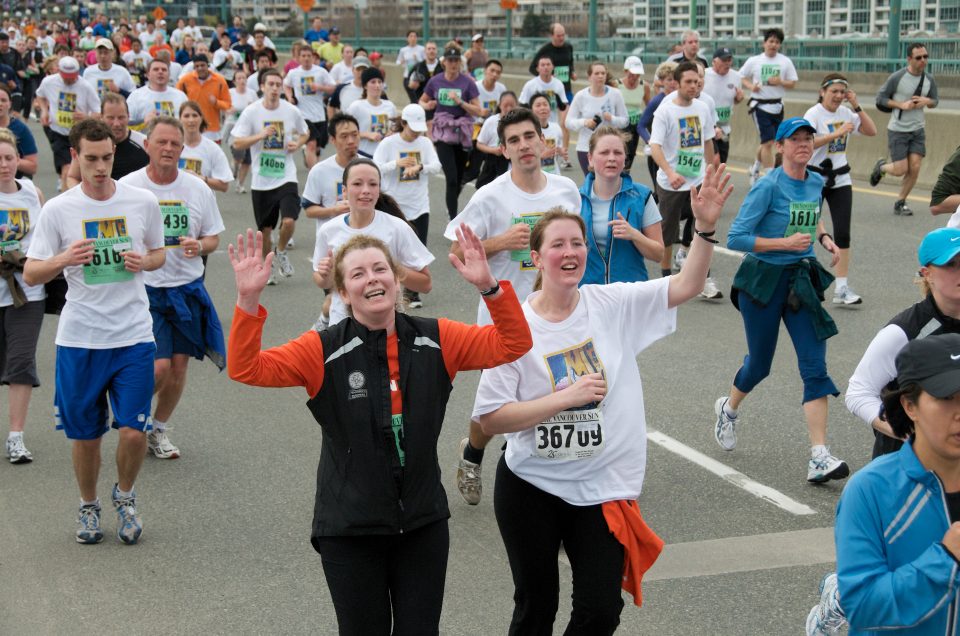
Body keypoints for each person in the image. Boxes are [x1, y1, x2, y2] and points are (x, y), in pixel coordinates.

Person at [229, 216, 530, 634]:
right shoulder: (322, 349)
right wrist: (247, 300)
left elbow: (513, 344)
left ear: (396, 278)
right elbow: (246, 368)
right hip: (349, 529)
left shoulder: (437, 337)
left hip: (422, 524)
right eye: (357, 273)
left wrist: (490, 288)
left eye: (379, 269)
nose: (371, 280)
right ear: (342, 291)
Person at [473, 164, 730, 633]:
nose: (570, 252)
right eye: (558, 245)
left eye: (577, 243)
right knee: (536, 607)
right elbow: (491, 419)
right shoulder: (514, 326)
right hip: (532, 485)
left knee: (599, 611)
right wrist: (564, 397)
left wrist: (706, 228)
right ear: (536, 257)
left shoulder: (610, 304)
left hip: (601, 487)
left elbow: (687, 285)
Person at [23, 118, 165, 545]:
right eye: (91, 159)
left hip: (134, 335)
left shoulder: (142, 202)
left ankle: (125, 496)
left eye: (107, 158)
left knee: (133, 430)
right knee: (85, 438)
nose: (100, 167)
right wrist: (64, 259)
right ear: (75, 157)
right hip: (81, 338)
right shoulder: (59, 209)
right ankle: (89, 505)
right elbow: (31, 273)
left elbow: (159, 254)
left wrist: (145, 261)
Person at [444, 107, 581, 505]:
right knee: (501, 404)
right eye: (514, 140)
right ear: (504, 150)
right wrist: (501, 242)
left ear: (543, 140)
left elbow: (573, 246)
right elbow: (458, 250)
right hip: (503, 315)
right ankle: (473, 453)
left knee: (548, 396)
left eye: (529, 136)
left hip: (554, 313)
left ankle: (533, 482)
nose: (524, 145)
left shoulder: (565, 191)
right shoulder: (489, 197)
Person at [715, 117, 846, 483]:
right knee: (760, 365)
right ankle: (728, 408)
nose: (803, 144)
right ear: (780, 147)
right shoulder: (768, 186)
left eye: (808, 138)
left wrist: (824, 240)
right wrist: (782, 244)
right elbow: (737, 237)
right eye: (795, 140)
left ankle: (819, 455)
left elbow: (813, 219)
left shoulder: (816, 181)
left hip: (800, 279)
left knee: (814, 366)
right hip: (763, 279)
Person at [826, 333, 960, 634]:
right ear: (910, 406)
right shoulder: (869, 491)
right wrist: (946, 560)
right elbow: (863, 608)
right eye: (946, 398)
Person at [119, 116, 225, 460]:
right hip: (145, 290)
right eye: (161, 142)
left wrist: (199, 245)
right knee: (159, 367)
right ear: (147, 145)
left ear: (183, 148)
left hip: (187, 288)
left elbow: (213, 237)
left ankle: (157, 428)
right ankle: (131, 414)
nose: (167, 149)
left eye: (174, 144)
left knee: (179, 366)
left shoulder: (197, 188)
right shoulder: (129, 187)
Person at [312, 157, 433, 327]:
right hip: (342, 324)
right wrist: (325, 275)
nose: (366, 190)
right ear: (344, 191)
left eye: (373, 184)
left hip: (387, 325)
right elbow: (321, 281)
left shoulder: (397, 228)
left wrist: (392, 266)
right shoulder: (329, 230)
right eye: (357, 184)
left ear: (379, 190)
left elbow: (426, 284)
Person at [230, 68, 308, 285]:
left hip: (286, 175)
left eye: (278, 84)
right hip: (262, 179)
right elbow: (236, 142)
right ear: (262, 87)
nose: (275, 88)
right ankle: (268, 264)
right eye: (270, 84)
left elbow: (305, 132)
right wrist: (260, 135)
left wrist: (298, 143)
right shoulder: (251, 112)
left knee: (290, 220)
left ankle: (281, 251)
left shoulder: (291, 111)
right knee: (265, 231)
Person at [804, 73, 877, 306]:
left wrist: (856, 105)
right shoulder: (813, 114)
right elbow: (808, 142)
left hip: (841, 178)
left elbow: (871, 130)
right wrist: (837, 133)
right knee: (805, 229)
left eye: (841, 92)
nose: (837, 96)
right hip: (814, 176)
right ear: (822, 92)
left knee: (843, 232)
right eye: (833, 91)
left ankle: (842, 288)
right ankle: (802, 280)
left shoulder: (847, 113)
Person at [649, 61, 720, 297]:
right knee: (668, 231)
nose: (693, 86)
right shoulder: (665, 110)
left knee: (703, 225)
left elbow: (708, 140)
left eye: (697, 82)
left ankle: (704, 278)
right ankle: (667, 276)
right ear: (676, 83)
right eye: (688, 82)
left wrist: (711, 173)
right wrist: (670, 172)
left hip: (697, 178)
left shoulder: (702, 107)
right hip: (671, 182)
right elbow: (655, 146)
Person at [0, 128, 45, 464]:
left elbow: (45, 237)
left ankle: (16, 436)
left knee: (20, 361)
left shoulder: (31, 192)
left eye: (8, 158)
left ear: (19, 160)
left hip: (28, 291)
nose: (3, 165)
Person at [373, 104, 442, 308]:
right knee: (391, 250)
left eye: (418, 129)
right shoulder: (389, 143)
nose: (415, 134)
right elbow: (375, 166)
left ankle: (412, 293)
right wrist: (396, 164)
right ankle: (390, 290)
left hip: (419, 204)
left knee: (418, 250)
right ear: (403, 123)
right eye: (412, 129)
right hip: (395, 206)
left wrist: (420, 167)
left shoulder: (425, 143)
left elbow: (436, 166)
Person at [580, 126, 663, 285]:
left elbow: (658, 254)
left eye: (617, 153)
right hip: (588, 294)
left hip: (630, 295)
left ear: (625, 158)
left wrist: (634, 235)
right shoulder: (576, 199)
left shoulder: (643, 196)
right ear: (590, 158)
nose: (612, 158)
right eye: (604, 152)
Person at [870, 43, 938, 217]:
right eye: (918, 57)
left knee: (914, 168)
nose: (923, 60)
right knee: (901, 169)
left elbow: (935, 100)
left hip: (918, 129)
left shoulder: (929, 79)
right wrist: (901, 104)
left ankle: (901, 201)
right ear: (909, 59)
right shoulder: (897, 77)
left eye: (925, 56)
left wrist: (926, 102)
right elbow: (881, 98)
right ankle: (882, 167)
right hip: (898, 129)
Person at [420, 44, 481, 221]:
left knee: (460, 177)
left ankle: (451, 208)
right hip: (442, 133)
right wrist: (428, 105)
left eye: (456, 61)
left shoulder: (468, 82)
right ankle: (453, 219)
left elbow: (478, 109)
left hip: (462, 134)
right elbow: (421, 101)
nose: (453, 64)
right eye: (450, 60)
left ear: (460, 63)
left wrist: (461, 102)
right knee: (452, 178)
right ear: (444, 62)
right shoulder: (435, 81)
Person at [740, 28, 798, 185]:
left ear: (780, 45)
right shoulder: (755, 60)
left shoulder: (785, 61)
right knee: (767, 143)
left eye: (777, 42)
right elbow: (742, 77)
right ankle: (771, 177)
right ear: (764, 43)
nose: (773, 44)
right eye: (771, 41)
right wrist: (751, 87)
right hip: (760, 106)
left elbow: (792, 83)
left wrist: (780, 82)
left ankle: (755, 168)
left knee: (770, 142)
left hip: (778, 105)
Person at [35, 55, 100, 192]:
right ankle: (66, 202)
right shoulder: (49, 82)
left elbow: (98, 112)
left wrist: (86, 117)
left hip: (80, 134)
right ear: (59, 72)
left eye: (72, 76)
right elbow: (40, 95)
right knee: (67, 171)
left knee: (80, 173)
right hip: (58, 132)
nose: (69, 79)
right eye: (66, 76)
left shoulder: (85, 86)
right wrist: (44, 111)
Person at [65, 92, 149, 188]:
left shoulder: (143, 143)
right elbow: (72, 177)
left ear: (128, 116)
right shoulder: (90, 144)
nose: (116, 123)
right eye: (111, 118)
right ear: (101, 117)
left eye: (121, 117)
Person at [565, 61, 628, 175]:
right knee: (592, 182)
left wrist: (612, 118)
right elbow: (568, 122)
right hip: (586, 147)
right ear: (589, 77)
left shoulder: (615, 94)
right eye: (597, 73)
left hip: (610, 148)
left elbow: (625, 121)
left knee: (609, 182)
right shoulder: (581, 96)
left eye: (603, 73)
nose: (600, 76)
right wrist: (585, 122)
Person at [283, 44, 335, 169]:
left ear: (312, 57)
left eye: (309, 56)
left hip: (319, 115)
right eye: (303, 56)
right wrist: (290, 97)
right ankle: (314, 175)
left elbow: (333, 88)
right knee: (311, 144)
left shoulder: (320, 72)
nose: (306, 58)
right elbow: (286, 85)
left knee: (317, 148)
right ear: (299, 58)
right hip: (303, 115)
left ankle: (311, 160)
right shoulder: (294, 73)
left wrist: (320, 87)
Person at [519, 56, 569, 163]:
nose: (546, 67)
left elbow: (563, 106)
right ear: (537, 68)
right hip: (535, 125)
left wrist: (563, 121)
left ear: (553, 67)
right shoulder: (530, 85)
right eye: (542, 65)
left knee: (550, 159)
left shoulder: (558, 84)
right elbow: (522, 106)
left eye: (548, 64)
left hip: (552, 125)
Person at [177, 101, 233, 192]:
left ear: (201, 118)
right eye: (186, 116)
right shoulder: (171, 146)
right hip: (178, 203)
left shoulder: (213, 149)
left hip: (203, 204)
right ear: (180, 119)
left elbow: (224, 186)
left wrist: (200, 178)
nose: (191, 120)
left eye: (195, 115)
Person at [175, 54, 230, 143]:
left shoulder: (220, 81)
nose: (200, 68)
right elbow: (176, 98)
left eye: (202, 65)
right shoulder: (185, 80)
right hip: (190, 126)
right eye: (197, 66)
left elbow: (228, 105)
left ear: (208, 65)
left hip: (212, 129)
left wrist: (216, 102)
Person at [702, 47, 743, 166]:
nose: (727, 63)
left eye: (729, 60)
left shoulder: (736, 77)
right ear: (714, 61)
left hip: (724, 127)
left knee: (721, 165)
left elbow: (735, 100)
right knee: (714, 161)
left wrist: (738, 99)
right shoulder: (705, 75)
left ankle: (712, 184)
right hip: (708, 126)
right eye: (724, 60)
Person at [347, 67, 397, 159]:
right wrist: (367, 134)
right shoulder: (356, 106)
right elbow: (346, 131)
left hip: (385, 156)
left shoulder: (390, 106)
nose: (377, 85)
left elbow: (395, 129)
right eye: (373, 82)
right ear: (365, 86)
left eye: (380, 82)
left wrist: (392, 133)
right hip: (362, 155)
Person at [126, 58, 187, 128]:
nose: (160, 72)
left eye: (164, 70)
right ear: (147, 74)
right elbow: (126, 124)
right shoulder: (136, 96)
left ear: (169, 74)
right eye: (156, 69)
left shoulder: (180, 96)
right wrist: (143, 121)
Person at [474, 90, 517, 188]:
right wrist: (493, 150)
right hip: (493, 159)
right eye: (506, 105)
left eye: (512, 105)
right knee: (484, 188)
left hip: (512, 161)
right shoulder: (491, 121)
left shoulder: (520, 122)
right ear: (499, 105)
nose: (509, 108)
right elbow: (479, 144)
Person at [225, 69, 256, 193]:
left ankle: (240, 184)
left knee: (247, 160)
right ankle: (235, 166)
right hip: (233, 128)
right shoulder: (229, 93)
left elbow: (258, 108)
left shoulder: (252, 93)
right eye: (239, 78)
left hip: (249, 130)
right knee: (238, 156)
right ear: (234, 81)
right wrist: (228, 109)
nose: (242, 80)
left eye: (244, 78)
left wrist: (251, 107)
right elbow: (224, 108)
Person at [618, 56, 650, 172]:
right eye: (631, 74)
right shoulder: (617, 84)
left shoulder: (644, 86)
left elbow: (649, 106)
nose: (634, 78)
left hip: (636, 124)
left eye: (637, 75)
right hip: (620, 124)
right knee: (620, 153)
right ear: (625, 71)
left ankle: (625, 177)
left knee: (630, 154)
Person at [0, 85, 38, 178]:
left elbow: (33, 166)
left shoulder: (20, 129)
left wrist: (10, 159)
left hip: (14, 181)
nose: (0, 103)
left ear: (9, 104)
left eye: (3, 100)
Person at [529, 91, 566, 177]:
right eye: (538, 105)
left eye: (545, 104)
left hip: (554, 175)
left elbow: (557, 150)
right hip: (534, 177)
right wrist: (541, 156)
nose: (542, 108)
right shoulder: (528, 131)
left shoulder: (556, 128)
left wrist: (560, 151)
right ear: (531, 110)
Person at [397, 31, 424, 104]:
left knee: (419, 98)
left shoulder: (421, 49)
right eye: (411, 36)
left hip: (418, 77)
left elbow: (424, 62)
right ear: (407, 38)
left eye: (415, 36)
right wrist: (401, 62)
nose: (413, 38)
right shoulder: (403, 50)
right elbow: (398, 62)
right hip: (407, 76)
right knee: (413, 98)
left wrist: (417, 58)